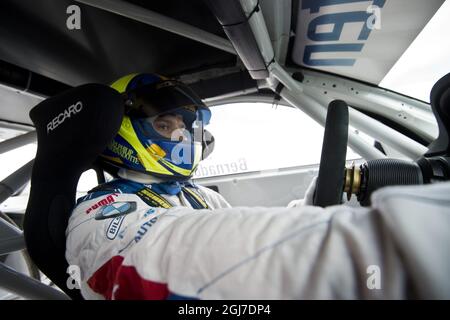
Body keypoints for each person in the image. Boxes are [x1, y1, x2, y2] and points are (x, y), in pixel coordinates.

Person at [66, 73, 450, 300]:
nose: (181, 137)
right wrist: (386, 247)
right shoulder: (97, 213)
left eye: (186, 127)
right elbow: (164, 256)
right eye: (165, 125)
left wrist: (308, 209)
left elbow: (238, 233)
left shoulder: (200, 195)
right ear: (121, 131)